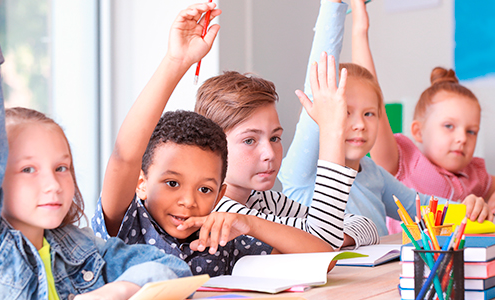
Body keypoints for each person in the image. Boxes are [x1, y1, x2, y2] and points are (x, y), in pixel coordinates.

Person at [0, 1, 191, 299]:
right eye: (28, 169)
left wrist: (122, 289)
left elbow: (171, 269)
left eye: (61, 168)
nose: (53, 185)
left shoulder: (79, 248)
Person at [92, 2, 334, 277]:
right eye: (172, 183)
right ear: (141, 183)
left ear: (220, 194)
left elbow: (325, 259)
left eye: (205, 189)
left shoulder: (221, 238)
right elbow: (125, 156)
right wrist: (177, 62)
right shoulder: (129, 224)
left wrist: (249, 224)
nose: (188, 201)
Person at [277, 0, 491, 236]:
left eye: (369, 114)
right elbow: (318, 81)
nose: (360, 124)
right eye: (346, 112)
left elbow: (421, 208)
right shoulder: (305, 173)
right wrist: (332, 6)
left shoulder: (372, 172)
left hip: (380, 274)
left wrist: (471, 211)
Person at [194, 70, 380, 249]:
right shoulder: (222, 211)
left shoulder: (266, 201)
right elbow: (323, 240)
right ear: (213, 147)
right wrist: (332, 132)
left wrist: (331, 235)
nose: (270, 153)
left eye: (274, 138)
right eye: (249, 140)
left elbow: (365, 226)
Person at [350, 4, 494, 235]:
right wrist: (360, 29)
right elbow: (370, 95)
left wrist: (489, 203)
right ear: (417, 131)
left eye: (471, 131)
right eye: (449, 126)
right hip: (404, 265)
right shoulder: (402, 163)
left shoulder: (476, 174)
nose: (461, 138)